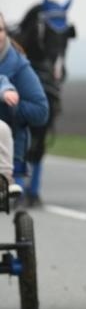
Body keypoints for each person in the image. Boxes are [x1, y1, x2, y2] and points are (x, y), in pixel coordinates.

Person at [0, 13, 49, 193]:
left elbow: (40, 111)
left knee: (2, 129)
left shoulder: (19, 67)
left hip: (6, 134)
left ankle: (5, 179)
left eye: (0, 30)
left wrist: (11, 106)